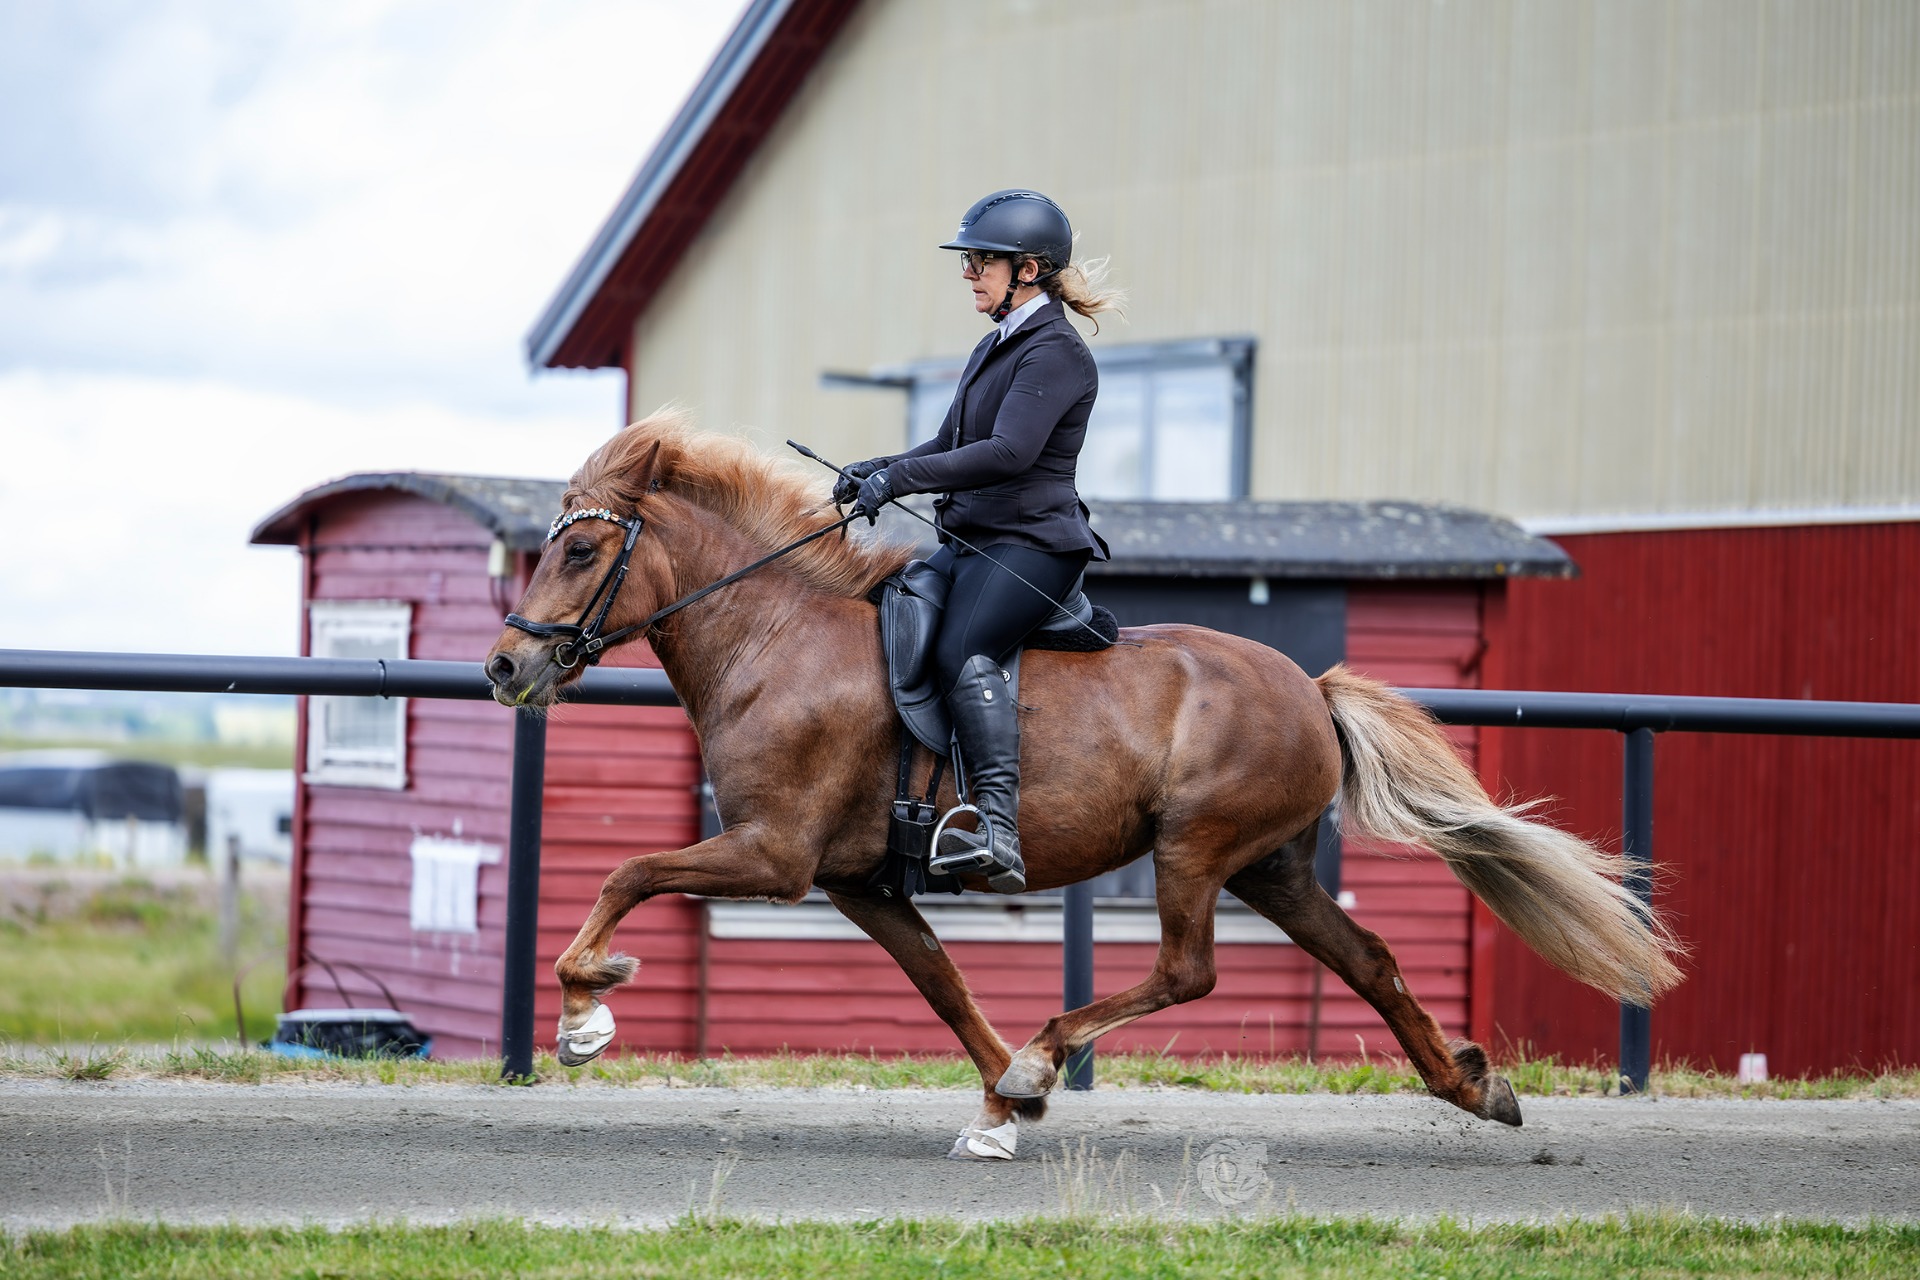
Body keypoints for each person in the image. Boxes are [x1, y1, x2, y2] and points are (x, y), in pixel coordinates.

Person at [833, 189, 1124, 893]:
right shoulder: (996, 344)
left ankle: (994, 822)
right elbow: (953, 442)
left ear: (1028, 269)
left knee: (963, 649)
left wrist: (901, 478)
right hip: (974, 542)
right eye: (969, 262)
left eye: (981, 261)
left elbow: (1008, 454)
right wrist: (878, 467)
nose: (969, 272)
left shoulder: (1054, 351)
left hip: (1032, 547)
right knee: (892, 617)